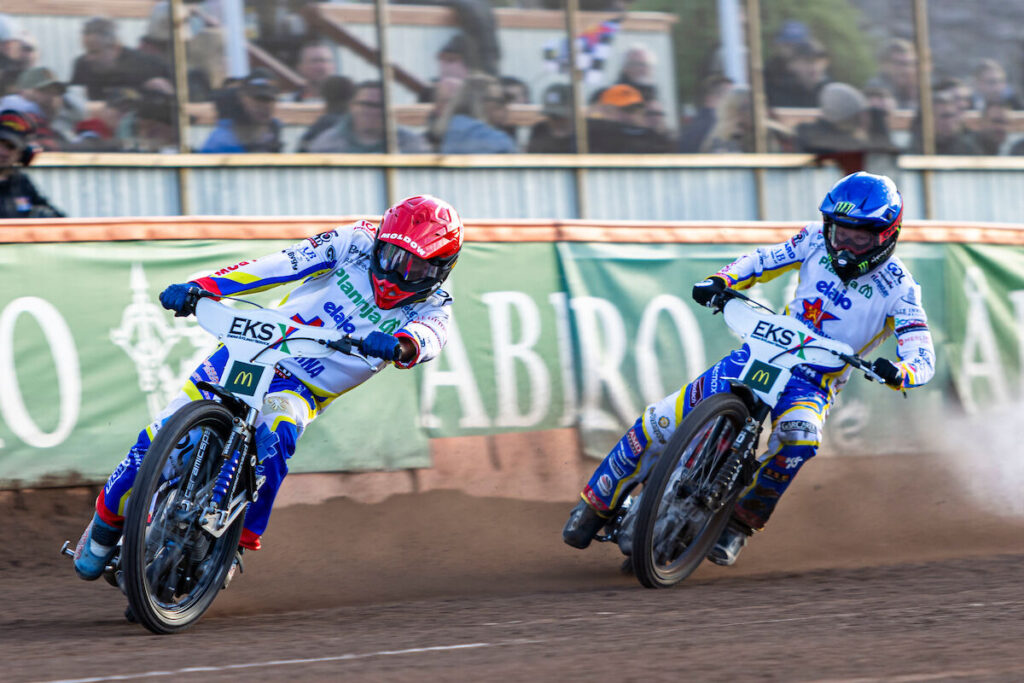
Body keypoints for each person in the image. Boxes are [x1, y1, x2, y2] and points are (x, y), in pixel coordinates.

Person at [73, 194, 463, 580]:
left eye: (414, 269)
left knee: (277, 433)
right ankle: (104, 526)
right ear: (380, 240)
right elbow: (279, 265)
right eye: (392, 257)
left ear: (440, 271)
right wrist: (203, 287)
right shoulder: (354, 241)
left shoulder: (436, 306)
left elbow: (429, 336)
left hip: (304, 389)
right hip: (256, 348)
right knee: (154, 443)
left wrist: (403, 344)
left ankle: (238, 542)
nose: (397, 273)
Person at [563, 172, 935, 567]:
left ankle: (740, 523)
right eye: (840, 231)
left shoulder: (901, 289)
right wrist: (721, 280)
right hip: (761, 353)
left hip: (814, 382)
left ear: (886, 234)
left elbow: (922, 354)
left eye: (859, 237)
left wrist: (901, 372)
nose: (844, 244)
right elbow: (762, 261)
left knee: (799, 440)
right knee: (659, 420)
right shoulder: (813, 239)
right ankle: (594, 506)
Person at [307, 80, 429, 154]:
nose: (373, 111)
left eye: (379, 106)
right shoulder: (327, 144)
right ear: (352, 106)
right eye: (366, 104)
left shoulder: (411, 144)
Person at [70, 17, 170, 101]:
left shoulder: (148, 65)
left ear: (115, 47)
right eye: (86, 51)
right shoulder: (82, 64)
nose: (89, 58)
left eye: (95, 52)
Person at [0, 109, 63, 218]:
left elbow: (58, 221)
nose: (3, 152)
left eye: (11, 147)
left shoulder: (21, 182)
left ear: (22, 154)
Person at [200, 72, 283, 154]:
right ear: (243, 98)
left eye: (269, 99)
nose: (264, 106)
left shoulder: (275, 129)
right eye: (258, 99)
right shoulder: (222, 140)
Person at [865, 39, 919, 110]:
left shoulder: (918, 88)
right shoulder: (876, 89)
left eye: (911, 64)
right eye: (900, 63)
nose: (907, 70)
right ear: (885, 65)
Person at [527, 83, 575, 153]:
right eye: (552, 116)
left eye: (560, 117)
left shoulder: (583, 133)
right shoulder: (540, 129)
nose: (556, 121)